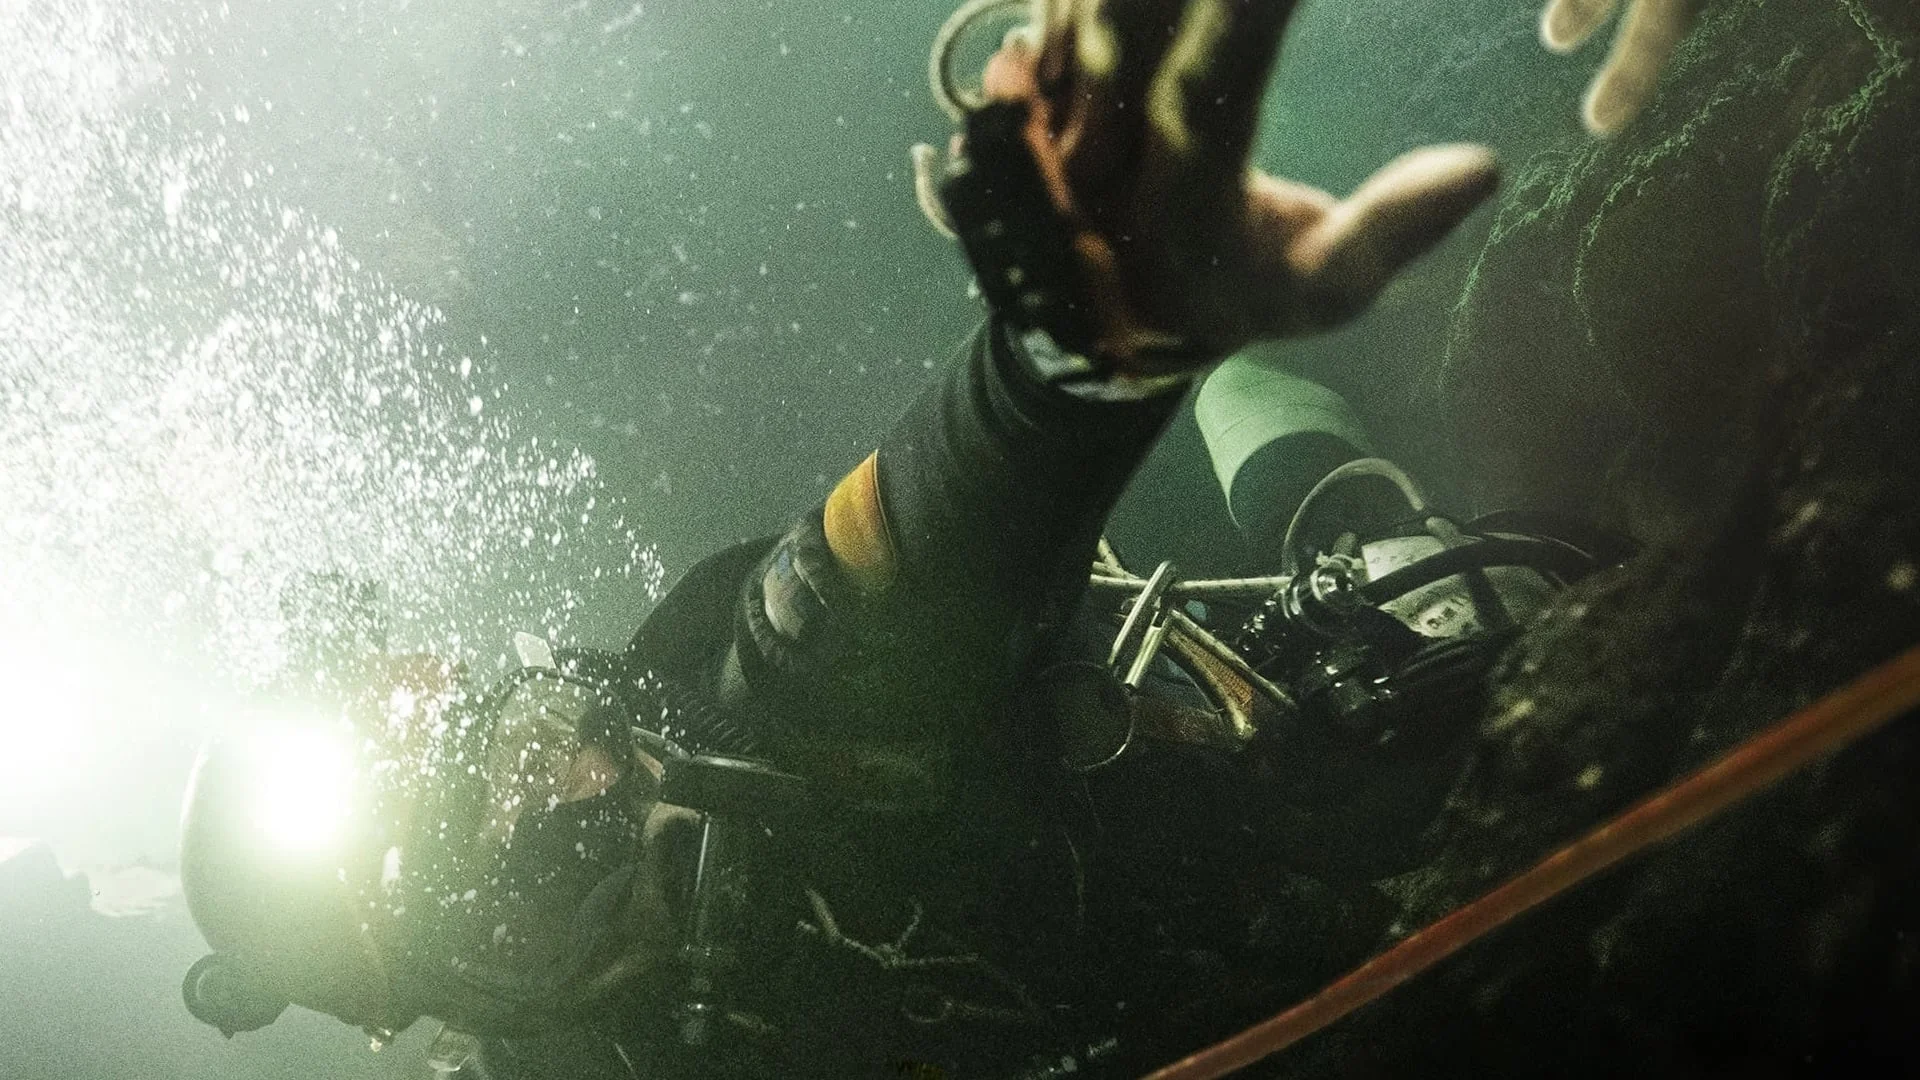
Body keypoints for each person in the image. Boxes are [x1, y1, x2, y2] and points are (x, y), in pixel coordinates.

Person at [175, 2, 1711, 1077]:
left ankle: (1262, 409)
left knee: (1401, 548)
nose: (577, 785)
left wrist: (1074, 354)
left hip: (1343, 757)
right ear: (450, 984)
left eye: (528, 742)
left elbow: (855, 601)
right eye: (510, 851)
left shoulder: (747, 700)